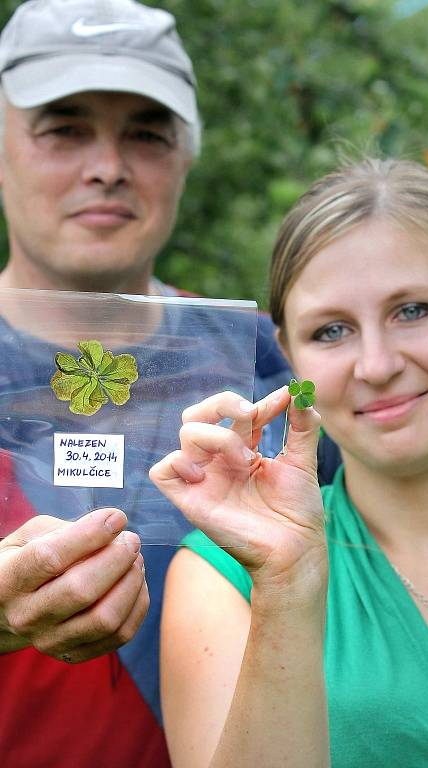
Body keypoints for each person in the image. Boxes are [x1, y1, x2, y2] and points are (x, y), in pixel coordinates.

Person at [0, 1, 296, 766]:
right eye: (63, 128)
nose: (107, 164)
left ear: (186, 157)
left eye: (146, 131)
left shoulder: (261, 363)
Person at [150, 157, 428, 768]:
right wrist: (286, 585)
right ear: (289, 355)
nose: (375, 365)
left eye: (413, 311)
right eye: (331, 331)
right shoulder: (224, 574)